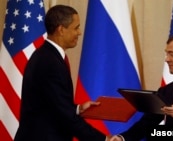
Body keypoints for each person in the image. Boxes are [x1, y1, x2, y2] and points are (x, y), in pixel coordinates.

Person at [14, 5, 110, 141]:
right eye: (76, 27)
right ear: (61, 30)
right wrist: (103, 139)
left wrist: (78, 108)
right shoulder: (50, 62)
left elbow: (52, 104)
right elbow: (66, 117)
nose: (80, 32)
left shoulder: (46, 55)